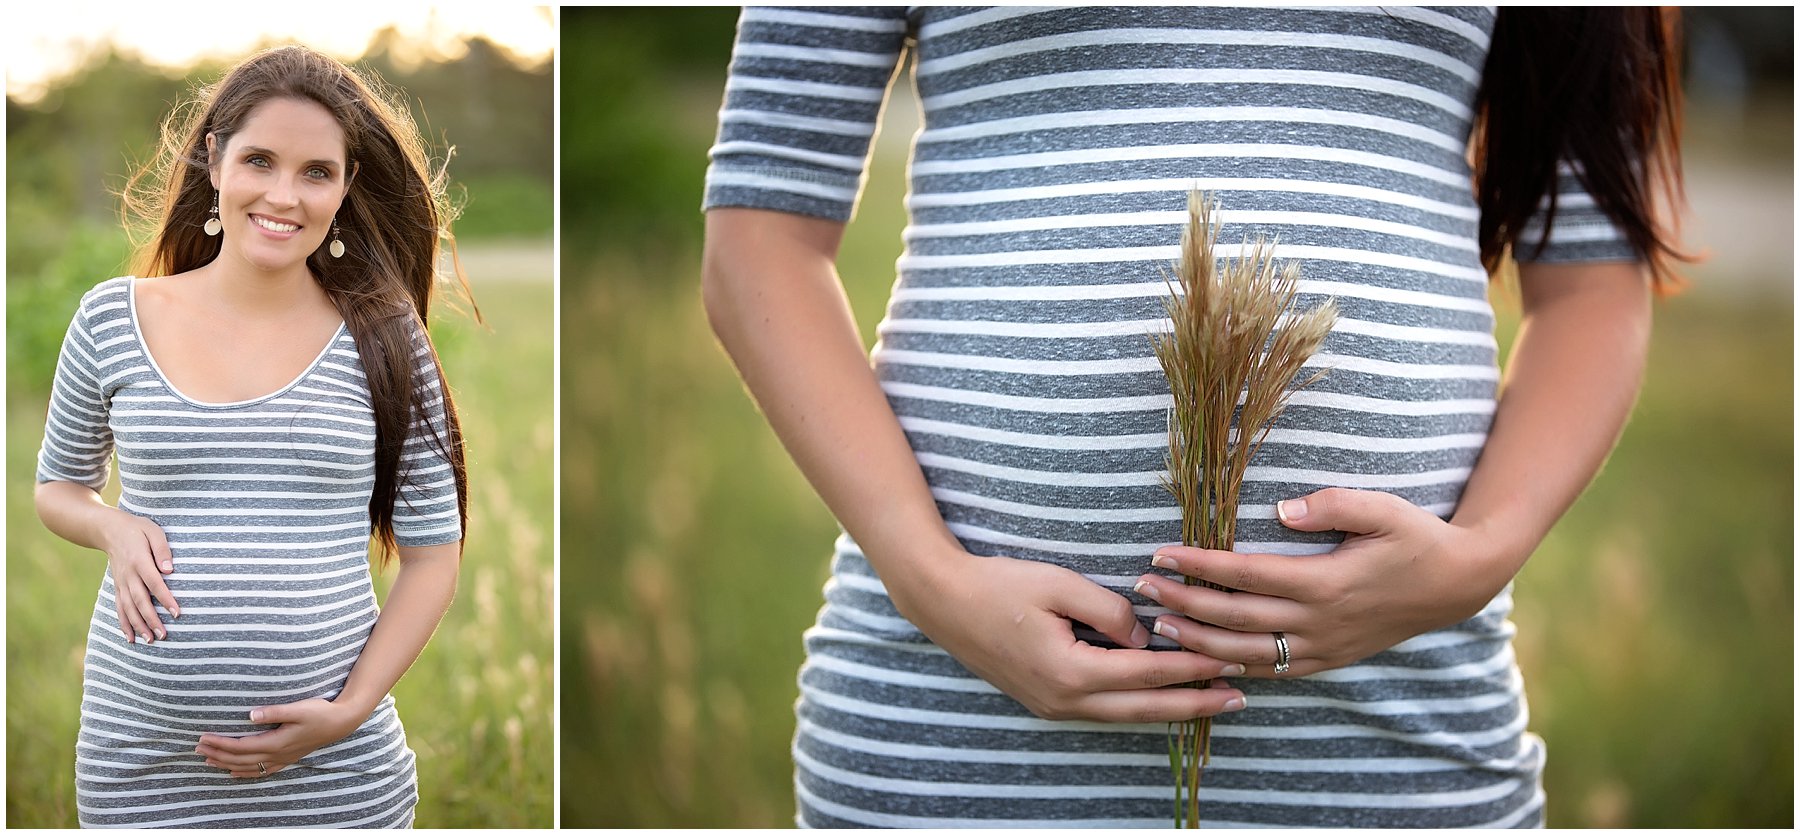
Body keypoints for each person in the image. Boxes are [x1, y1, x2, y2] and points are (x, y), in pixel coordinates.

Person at [701, 6, 1685, 828]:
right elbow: (760, 238)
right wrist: (930, 578)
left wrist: (1482, 553)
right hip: (956, 727)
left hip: (1395, 739)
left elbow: (1596, 284)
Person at [35, 45, 470, 829]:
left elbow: (434, 554)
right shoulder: (112, 317)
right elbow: (57, 488)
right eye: (260, 160)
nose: (283, 195)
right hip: (143, 765)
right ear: (214, 159)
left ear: (345, 188)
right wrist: (112, 524)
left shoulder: (385, 334)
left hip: (337, 773)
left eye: (316, 172)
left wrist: (350, 709)